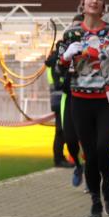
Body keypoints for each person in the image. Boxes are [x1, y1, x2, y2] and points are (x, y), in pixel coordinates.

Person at [58, 0, 109, 217]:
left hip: (106, 98)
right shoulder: (71, 33)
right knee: (90, 152)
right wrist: (66, 56)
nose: (94, 1)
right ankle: (96, 200)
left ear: (103, 4)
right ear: (83, 3)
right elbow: (59, 67)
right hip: (80, 99)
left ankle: (107, 186)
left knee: (104, 147)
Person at [45, 14, 85, 187]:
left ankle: (80, 165)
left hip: (82, 97)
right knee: (63, 131)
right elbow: (50, 62)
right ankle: (65, 160)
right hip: (63, 97)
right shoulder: (63, 47)